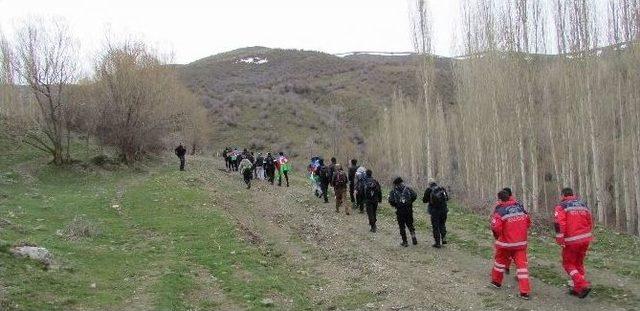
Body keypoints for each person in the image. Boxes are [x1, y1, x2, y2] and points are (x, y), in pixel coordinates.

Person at [490, 190, 531, 300]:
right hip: (521, 243)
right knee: (522, 267)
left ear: (500, 200)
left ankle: (496, 282)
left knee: (499, 262)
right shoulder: (520, 207)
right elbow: (528, 222)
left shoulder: (500, 210)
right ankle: (524, 292)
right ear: (510, 197)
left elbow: (495, 227)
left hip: (506, 243)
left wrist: (497, 236)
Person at [554, 187, 593, 299]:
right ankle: (577, 289)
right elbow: (590, 220)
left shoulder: (561, 206)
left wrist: (560, 239)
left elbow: (559, 224)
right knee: (579, 263)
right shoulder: (582, 205)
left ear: (563, 195)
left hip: (572, 240)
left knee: (568, 264)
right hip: (585, 238)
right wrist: (589, 234)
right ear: (572, 194)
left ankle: (583, 285)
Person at [388, 177, 418, 247]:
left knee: (402, 226)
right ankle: (413, 237)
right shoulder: (407, 188)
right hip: (409, 209)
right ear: (401, 182)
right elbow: (415, 195)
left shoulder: (393, 191)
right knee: (410, 224)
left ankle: (405, 242)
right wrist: (410, 202)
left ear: (395, 184)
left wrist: (396, 205)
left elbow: (391, 201)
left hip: (400, 210)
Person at [422, 179, 450, 248]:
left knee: (435, 226)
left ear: (429, 184)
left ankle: (437, 243)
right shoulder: (442, 188)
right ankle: (444, 239)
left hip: (435, 211)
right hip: (444, 210)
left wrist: (430, 200)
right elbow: (447, 198)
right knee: (442, 224)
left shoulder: (429, 190)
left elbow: (424, 200)